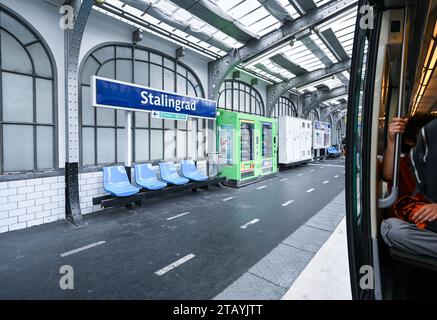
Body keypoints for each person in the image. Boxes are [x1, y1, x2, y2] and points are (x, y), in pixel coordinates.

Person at [380, 114, 437, 258]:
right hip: (421, 230)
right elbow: (388, 174)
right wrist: (392, 140)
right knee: (391, 228)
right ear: (410, 142)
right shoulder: (405, 163)